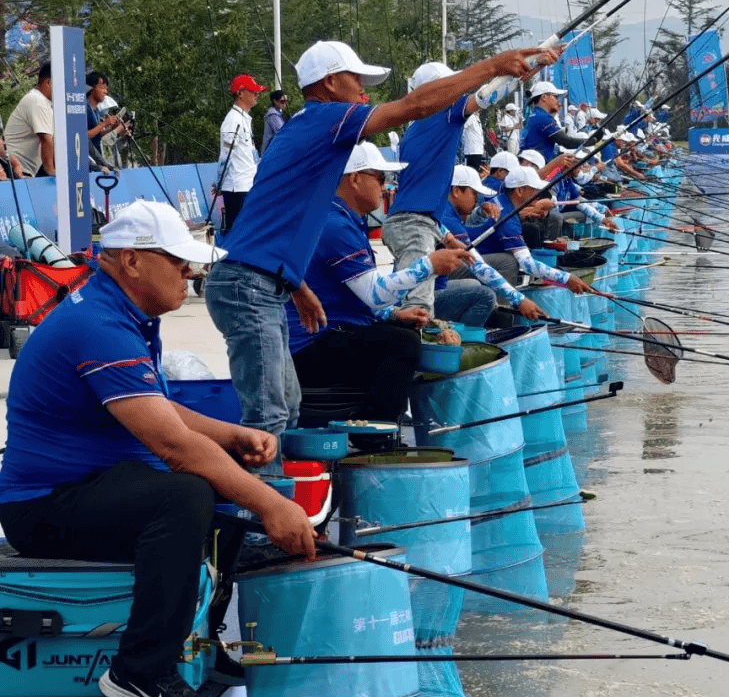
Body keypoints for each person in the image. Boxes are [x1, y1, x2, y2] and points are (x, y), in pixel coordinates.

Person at [0, 200, 314, 697]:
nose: (190, 271)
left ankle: (202, 639)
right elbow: (173, 446)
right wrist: (272, 507)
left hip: (95, 484)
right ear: (131, 262)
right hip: (43, 507)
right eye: (178, 260)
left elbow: (155, 409)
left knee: (216, 486)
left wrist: (232, 434)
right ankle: (140, 674)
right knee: (189, 491)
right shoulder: (99, 324)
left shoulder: (122, 310)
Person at [204, 39, 555, 452]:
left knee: (287, 408)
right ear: (331, 83)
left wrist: (296, 285)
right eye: (356, 80)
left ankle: (297, 492)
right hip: (248, 287)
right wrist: (494, 63)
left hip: (262, 283)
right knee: (269, 416)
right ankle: (275, 506)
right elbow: (415, 106)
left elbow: (267, 224)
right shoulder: (326, 118)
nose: (363, 91)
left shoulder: (308, 133)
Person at [288, 142, 465, 422]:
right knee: (402, 343)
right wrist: (430, 265)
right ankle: (377, 432)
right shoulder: (335, 225)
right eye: (381, 178)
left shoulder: (344, 218)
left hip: (334, 331)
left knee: (401, 329)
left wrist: (395, 313)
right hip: (311, 344)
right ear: (355, 179)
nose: (386, 186)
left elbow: (359, 295)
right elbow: (374, 294)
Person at [383, 58, 540, 315]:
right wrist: (523, 66)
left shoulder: (417, 129)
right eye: (449, 86)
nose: (456, 90)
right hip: (415, 225)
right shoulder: (443, 115)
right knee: (418, 310)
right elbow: (485, 95)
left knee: (413, 300)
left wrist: (444, 235)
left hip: (420, 222)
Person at [439, 164, 550, 321]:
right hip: (430, 290)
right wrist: (519, 300)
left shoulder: (447, 210)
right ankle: (487, 325)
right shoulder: (447, 219)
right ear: (456, 191)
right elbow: (477, 265)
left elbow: (471, 221)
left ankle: (499, 310)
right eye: (474, 193)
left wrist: (481, 210)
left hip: (440, 276)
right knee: (481, 291)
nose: (477, 199)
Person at [475, 164, 592, 295]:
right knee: (510, 262)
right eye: (534, 190)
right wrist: (567, 278)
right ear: (519, 190)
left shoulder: (502, 202)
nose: (538, 194)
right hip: (473, 261)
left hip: (481, 255)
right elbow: (528, 265)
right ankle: (502, 305)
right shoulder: (506, 217)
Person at [218, 75, 267, 232]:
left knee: (246, 231)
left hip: (247, 184)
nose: (257, 94)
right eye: (253, 91)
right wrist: (219, 181)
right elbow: (226, 156)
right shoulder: (233, 120)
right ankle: (231, 257)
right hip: (236, 187)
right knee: (236, 231)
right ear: (240, 93)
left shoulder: (244, 118)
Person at [519, 80, 590, 165]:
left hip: (532, 162)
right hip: (536, 165)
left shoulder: (536, 114)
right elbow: (567, 142)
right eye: (555, 97)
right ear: (544, 97)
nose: (558, 101)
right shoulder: (543, 117)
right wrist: (590, 141)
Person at [5, 62, 54, 177]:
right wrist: (52, 171)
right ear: (48, 82)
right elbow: (46, 139)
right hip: (15, 172)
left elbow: (53, 142)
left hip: (27, 172)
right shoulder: (37, 101)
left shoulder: (45, 103)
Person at [86, 70, 124, 170]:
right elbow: (84, 136)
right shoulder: (84, 108)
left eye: (106, 88)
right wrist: (104, 124)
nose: (105, 92)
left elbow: (96, 135)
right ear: (91, 88)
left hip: (96, 157)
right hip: (87, 160)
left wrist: (111, 128)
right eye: (102, 87)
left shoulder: (96, 110)